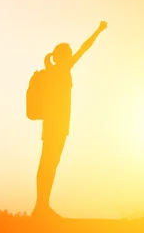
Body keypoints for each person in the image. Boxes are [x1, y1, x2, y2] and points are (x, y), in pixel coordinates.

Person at [32, 21, 108, 219]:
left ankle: (41, 206)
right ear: (63, 56)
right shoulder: (62, 69)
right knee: (50, 163)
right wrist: (98, 31)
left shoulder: (50, 70)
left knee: (47, 163)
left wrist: (48, 59)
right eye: (68, 53)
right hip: (57, 125)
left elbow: (71, 53)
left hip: (52, 124)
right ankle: (41, 207)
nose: (71, 54)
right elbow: (84, 48)